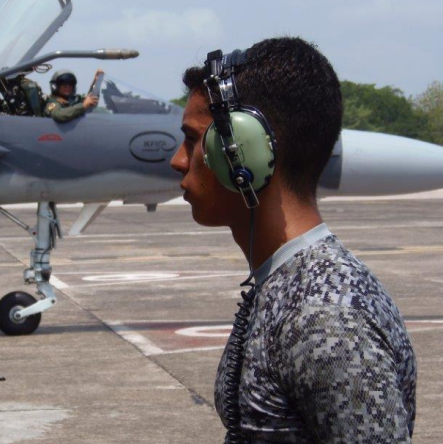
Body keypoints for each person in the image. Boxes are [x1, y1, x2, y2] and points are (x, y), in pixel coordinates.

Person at [170, 37, 416, 443]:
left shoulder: (323, 315)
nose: (178, 160)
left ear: (242, 154)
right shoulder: (291, 286)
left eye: (194, 139)